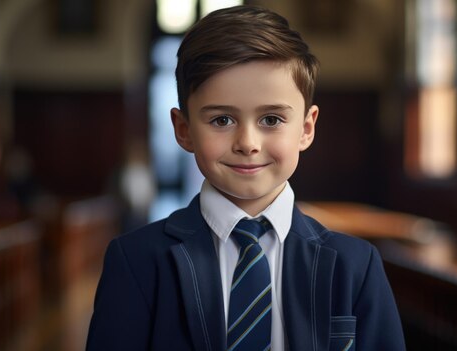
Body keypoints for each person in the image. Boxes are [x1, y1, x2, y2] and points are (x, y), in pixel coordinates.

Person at [86, 5, 405, 351]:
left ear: (306, 128)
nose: (248, 144)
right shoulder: (136, 261)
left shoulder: (356, 266)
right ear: (184, 130)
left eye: (271, 119)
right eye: (222, 120)